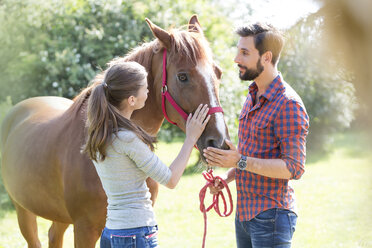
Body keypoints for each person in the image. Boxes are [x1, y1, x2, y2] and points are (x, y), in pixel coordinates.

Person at [203, 23, 309, 248]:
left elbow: (294, 168)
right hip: (245, 215)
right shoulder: (252, 96)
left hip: (271, 217)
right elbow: (249, 157)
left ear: (266, 57)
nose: (236, 59)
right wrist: (227, 178)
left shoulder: (288, 104)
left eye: (244, 53)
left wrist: (239, 161)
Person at [83, 61, 210, 248]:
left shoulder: (101, 134)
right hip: (135, 233)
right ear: (132, 100)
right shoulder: (127, 139)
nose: (149, 92)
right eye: (145, 88)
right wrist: (191, 138)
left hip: (111, 233)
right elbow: (170, 179)